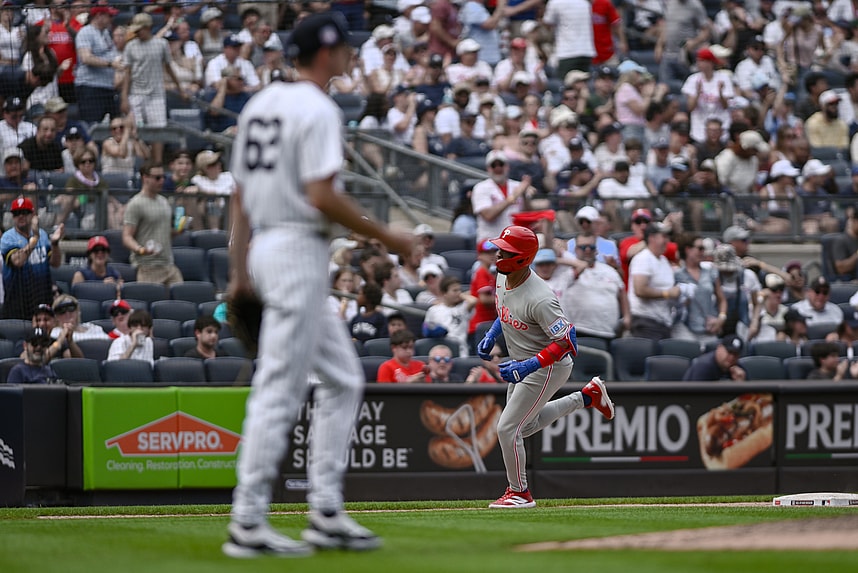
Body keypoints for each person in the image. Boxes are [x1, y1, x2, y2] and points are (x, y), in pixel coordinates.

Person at [223, 12, 413, 556]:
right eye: (346, 49)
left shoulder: (261, 103)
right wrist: (389, 237)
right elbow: (322, 196)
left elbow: (238, 197)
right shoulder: (318, 108)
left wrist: (239, 273)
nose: (351, 56)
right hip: (297, 249)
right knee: (280, 387)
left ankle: (325, 511)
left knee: (343, 379)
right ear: (327, 54)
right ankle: (248, 519)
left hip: (267, 247)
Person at [476, 225, 614, 508]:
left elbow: (568, 341)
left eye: (505, 251)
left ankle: (519, 493)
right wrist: (492, 335)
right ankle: (586, 397)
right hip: (522, 361)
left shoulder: (541, 296)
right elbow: (505, 311)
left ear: (522, 258)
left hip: (547, 365)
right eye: (500, 249)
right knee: (524, 428)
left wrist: (528, 366)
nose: (498, 254)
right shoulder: (504, 277)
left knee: (507, 429)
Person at [120, 13, 185, 166]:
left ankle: (157, 163)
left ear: (148, 28)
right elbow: (127, 73)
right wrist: (124, 97)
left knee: (158, 131)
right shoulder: (130, 46)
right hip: (136, 95)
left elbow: (169, 68)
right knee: (137, 130)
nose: (136, 32)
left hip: (156, 95)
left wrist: (180, 89)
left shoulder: (160, 44)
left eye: (139, 29)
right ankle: (144, 165)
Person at [122, 162, 185, 287]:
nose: (161, 181)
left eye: (163, 177)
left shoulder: (164, 202)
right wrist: (140, 249)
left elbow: (166, 234)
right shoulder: (135, 204)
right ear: (145, 178)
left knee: (181, 301)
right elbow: (127, 237)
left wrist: (178, 231)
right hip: (147, 267)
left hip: (168, 265)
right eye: (157, 178)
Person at [1, 196, 64, 319]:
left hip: (42, 297)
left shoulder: (43, 235)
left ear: (33, 215)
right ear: (13, 217)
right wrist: (34, 239)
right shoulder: (8, 238)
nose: (20, 216)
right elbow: (17, 261)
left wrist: (55, 244)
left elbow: (55, 263)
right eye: (17, 213)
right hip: (17, 302)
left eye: (25, 212)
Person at [561, 231, 629, 342]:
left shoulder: (609, 271)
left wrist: (627, 317)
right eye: (583, 247)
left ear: (596, 250)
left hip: (608, 332)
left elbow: (622, 292)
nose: (587, 250)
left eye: (591, 247)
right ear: (576, 249)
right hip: (579, 331)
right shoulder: (568, 271)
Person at [628, 222, 681, 341]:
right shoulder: (643, 258)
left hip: (663, 321)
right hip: (645, 321)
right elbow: (640, 290)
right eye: (664, 236)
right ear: (651, 237)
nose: (667, 240)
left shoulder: (663, 260)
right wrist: (667, 293)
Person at [73, 5, 122, 123]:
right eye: (109, 16)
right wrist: (110, 64)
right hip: (90, 87)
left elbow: (112, 54)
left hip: (107, 88)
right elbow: (85, 58)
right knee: (92, 124)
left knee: (113, 125)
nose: (112, 19)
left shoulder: (105, 33)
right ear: (99, 16)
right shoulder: (86, 32)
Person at [422, 276, 477, 357]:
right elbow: (426, 329)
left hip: (461, 350)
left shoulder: (463, 307)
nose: (458, 293)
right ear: (444, 293)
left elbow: (474, 301)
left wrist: (461, 295)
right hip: (441, 351)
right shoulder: (434, 310)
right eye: (455, 290)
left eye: (459, 290)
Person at [683, 334, 747, 381]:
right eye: (729, 352)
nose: (732, 357)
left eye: (735, 354)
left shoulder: (738, 369)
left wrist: (740, 383)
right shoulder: (703, 366)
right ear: (719, 348)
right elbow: (696, 397)